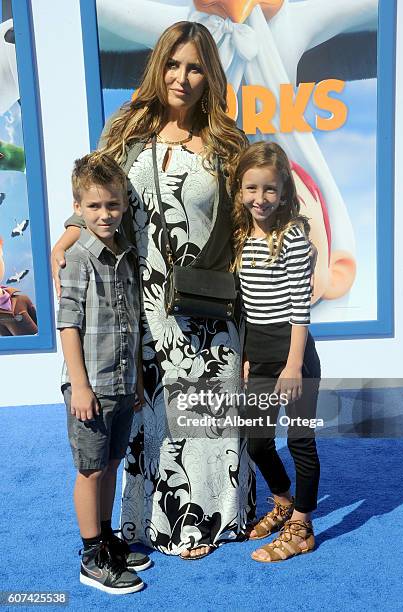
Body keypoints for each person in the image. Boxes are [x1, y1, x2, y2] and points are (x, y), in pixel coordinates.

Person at [52, 21, 255, 560]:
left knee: (209, 419)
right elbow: (96, 193)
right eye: (173, 64)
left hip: (210, 313)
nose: (182, 77)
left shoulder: (228, 144)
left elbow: (244, 231)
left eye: (194, 67)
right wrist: (70, 230)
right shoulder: (126, 130)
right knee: (152, 420)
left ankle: (212, 520)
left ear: (210, 74)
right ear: (157, 66)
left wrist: (257, 328)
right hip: (140, 308)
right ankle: (144, 526)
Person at [57, 152, 151, 594]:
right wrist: (79, 384)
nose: (104, 214)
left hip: (120, 383)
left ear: (124, 205)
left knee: (112, 463)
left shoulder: (125, 254)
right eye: (93, 206)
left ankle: (108, 535)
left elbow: (131, 321)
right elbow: (68, 324)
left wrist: (133, 379)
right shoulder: (78, 258)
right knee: (90, 470)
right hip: (89, 386)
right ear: (78, 208)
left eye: (112, 205)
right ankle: (91, 553)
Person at [232, 141, 321, 562]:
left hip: (294, 356)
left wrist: (293, 365)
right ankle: (283, 500)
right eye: (252, 188)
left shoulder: (293, 239)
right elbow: (248, 305)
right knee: (258, 443)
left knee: (301, 440)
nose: (260, 198)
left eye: (269, 189)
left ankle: (302, 525)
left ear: (284, 192)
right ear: (240, 190)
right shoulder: (240, 238)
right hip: (260, 356)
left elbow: (299, 310)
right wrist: (249, 356)